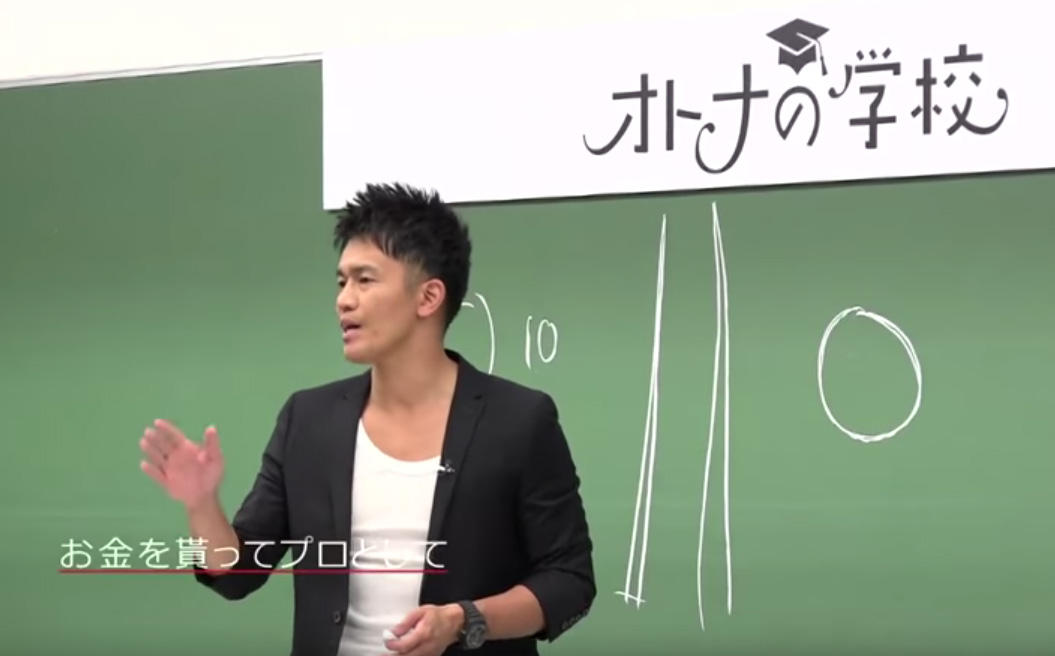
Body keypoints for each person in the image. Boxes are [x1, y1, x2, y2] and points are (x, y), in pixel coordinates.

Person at [138, 183, 596, 656]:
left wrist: (463, 620)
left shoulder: (519, 420)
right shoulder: (307, 420)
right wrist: (201, 504)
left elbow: (569, 579)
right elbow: (238, 573)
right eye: (341, 282)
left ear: (428, 297)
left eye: (365, 280)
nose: (344, 300)